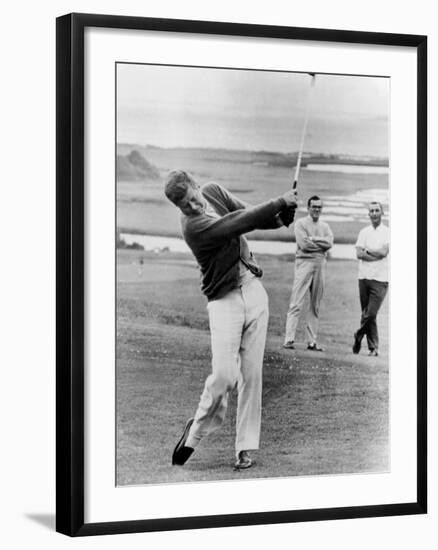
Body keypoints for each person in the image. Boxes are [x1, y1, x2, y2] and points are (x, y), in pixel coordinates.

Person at [164, 170, 297, 470]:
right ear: (179, 209)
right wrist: (278, 200)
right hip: (224, 301)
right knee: (224, 376)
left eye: (194, 198)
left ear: (198, 187)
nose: (194, 206)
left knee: (252, 376)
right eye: (185, 205)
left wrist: (278, 218)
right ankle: (194, 433)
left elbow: (245, 212)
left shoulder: (213, 191)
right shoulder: (194, 227)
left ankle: (245, 448)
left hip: (253, 290)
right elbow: (236, 223)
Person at [283, 195, 333, 351]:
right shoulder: (300, 224)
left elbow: (329, 243)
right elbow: (304, 245)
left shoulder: (325, 226)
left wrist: (314, 239)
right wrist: (320, 245)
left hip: (320, 265)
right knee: (296, 302)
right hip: (304, 263)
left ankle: (312, 342)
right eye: (314, 206)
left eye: (319, 207)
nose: (317, 209)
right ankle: (288, 339)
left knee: (315, 304)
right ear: (308, 208)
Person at [353, 201, 389, 356]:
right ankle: (373, 348)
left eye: (377, 210)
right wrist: (373, 254)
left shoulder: (388, 232)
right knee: (367, 314)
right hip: (363, 278)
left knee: (371, 313)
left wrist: (368, 251)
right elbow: (359, 254)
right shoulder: (364, 232)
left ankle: (358, 334)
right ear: (368, 214)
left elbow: (383, 253)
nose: (374, 213)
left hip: (381, 279)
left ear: (382, 213)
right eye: (371, 211)